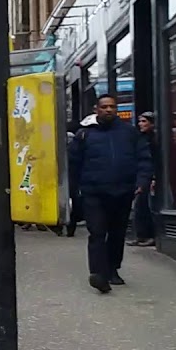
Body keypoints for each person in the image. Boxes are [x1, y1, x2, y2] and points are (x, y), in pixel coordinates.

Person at [68, 94, 153, 293]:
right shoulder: (84, 135)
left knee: (117, 233)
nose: (108, 110)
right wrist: (75, 190)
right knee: (97, 233)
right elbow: (73, 164)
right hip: (93, 193)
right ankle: (98, 274)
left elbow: (144, 159)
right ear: (96, 109)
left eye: (112, 107)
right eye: (104, 107)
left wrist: (142, 182)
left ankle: (113, 269)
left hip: (122, 191)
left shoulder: (130, 133)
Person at [130, 111, 157, 247]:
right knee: (140, 206)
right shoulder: (141, 138)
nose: (141, 124)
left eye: (144, 121)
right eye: (140, 121)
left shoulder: (154, 139)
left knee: (146, 206)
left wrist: (154, 177)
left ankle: (149, 235)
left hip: (150, 177)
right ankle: (141, 235)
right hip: (143, 176)